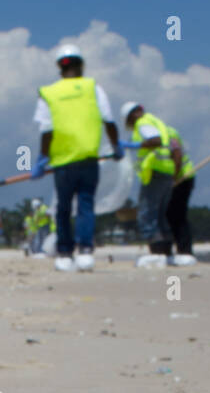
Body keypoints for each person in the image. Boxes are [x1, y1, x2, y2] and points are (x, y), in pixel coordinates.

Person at [33, 43, 122, 272]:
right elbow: (109, 121)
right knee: (85, 206)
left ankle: (64, 253)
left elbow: (47, 130)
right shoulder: (93, 88)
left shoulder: (49, 93)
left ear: (59, 67)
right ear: (81, 65)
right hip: (88, 158)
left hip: (63, 162)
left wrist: (42, 159)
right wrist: (116, 145)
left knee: (62, 208)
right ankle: (85, 251)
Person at [120, 102, 197, 266]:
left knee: (149, 214)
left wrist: (133, 145)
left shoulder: (144, 124)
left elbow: (169, 149)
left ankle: (159, 252)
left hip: (163, 173)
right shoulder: (159, 124)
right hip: (168, 173)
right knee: (164, 215)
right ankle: (168, 253)